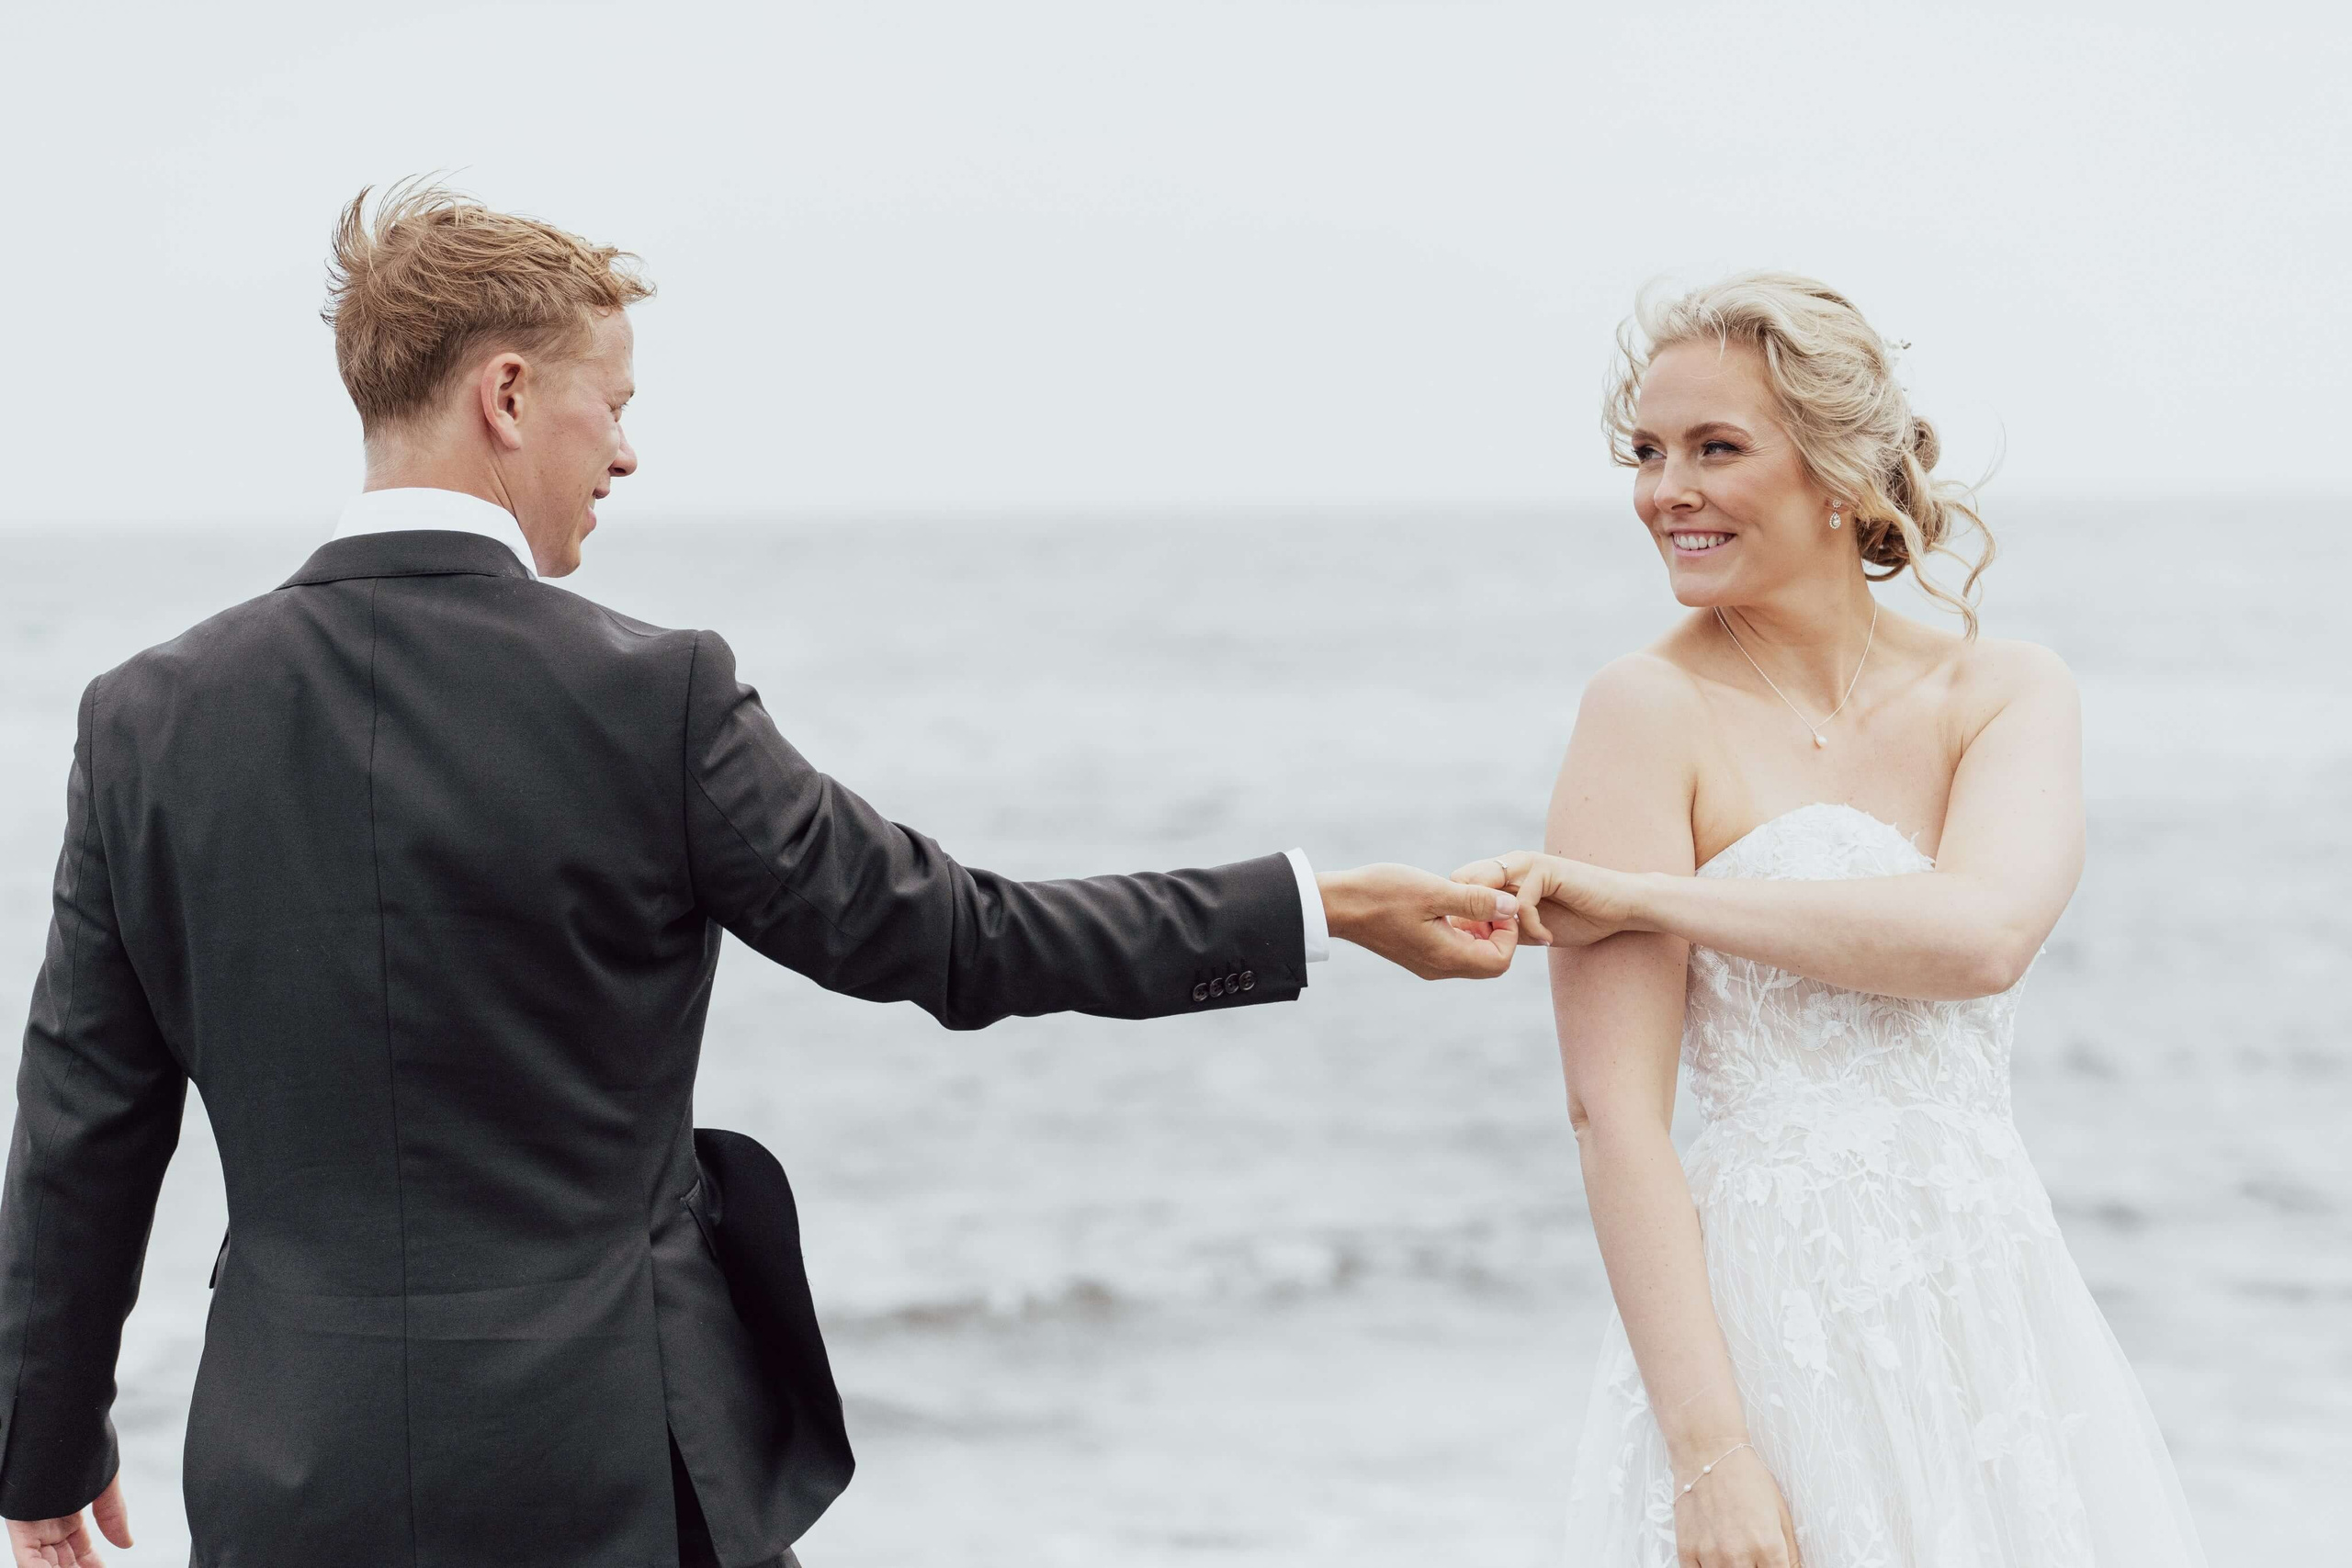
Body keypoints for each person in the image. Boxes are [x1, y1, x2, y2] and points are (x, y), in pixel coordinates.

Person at [0, 182, 1524, 1568]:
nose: (631, 450)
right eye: (616, 405)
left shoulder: (145, 719)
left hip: (290, 1474)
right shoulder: (648, 696)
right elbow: (959, 939)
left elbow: (82, 1128)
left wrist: (42, 1455)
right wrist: (1316, 909)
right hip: (611, 1469)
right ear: (509, 394)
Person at [1457, 275, 2208, 1567]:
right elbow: (1613, 1118)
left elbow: (1979, 940)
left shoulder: (2005, 692)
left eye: (1715, 449)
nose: (1663, 492)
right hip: (1760, 1331)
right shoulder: (1643, 715)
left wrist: (1640, 895)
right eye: (1647, 453)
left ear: (1841, 469)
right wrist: (1711, 1454)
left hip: (1989, 1311)